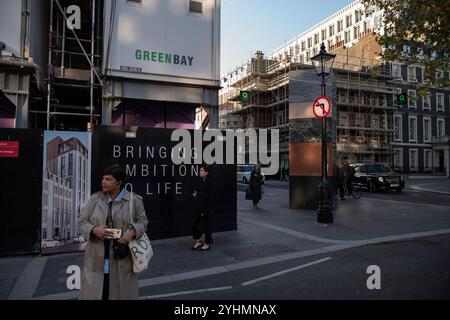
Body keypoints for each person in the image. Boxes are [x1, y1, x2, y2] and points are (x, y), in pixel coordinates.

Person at [78, 165, 148, 300]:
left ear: (119, 183)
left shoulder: (134, 200)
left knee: (120, 292)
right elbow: (82, 222)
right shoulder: (94, 199)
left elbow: (143, 222)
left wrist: (132, 232)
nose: (104, 182)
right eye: (103, 178)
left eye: (109, 179)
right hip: (96, 256)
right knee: (97, 292)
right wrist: (94, 229)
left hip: (122, 256)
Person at [191, 164, 213, 251]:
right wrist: (197, 194)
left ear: (206, 172)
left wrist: (197, 195)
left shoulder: (209, 181)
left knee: (206, 226)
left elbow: (207, 195)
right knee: (194, 224)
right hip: (198, 207)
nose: (200, 172)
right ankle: (198, 241)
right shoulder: (201, 180)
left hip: (205, 208)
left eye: (201, 171)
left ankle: (207, 244)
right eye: (200, 170)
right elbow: (198, 191)